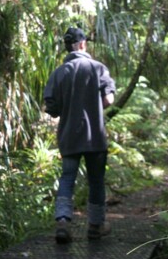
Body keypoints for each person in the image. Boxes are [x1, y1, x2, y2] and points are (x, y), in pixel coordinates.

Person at [43, 27, 116, 243]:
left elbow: (52, 107)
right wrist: (94, 106)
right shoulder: (98, 68)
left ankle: (63, 222)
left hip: (69, 136)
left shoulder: (59, 73)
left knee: (67, 179)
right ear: (83, 44)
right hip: (95, 136)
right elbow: (109, 100)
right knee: (96, 181)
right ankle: (95, 226)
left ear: (68, 47)